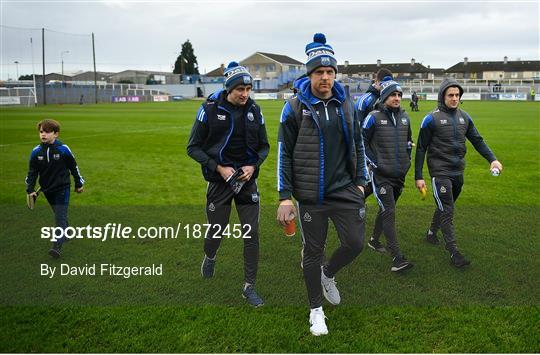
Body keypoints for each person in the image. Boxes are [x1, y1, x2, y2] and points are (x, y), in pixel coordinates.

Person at [277, 33, 369, 336]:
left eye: (330, 72)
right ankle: (316, 311)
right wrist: (285, 197)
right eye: (319, 72)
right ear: (310, 74)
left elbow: (358, 141)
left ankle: (328, 274)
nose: (326, 77)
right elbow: (284, 153)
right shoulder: (293, 107)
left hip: (345, 189)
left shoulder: (346, 104)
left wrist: (360, 181)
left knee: (355, 243)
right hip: (310, 194)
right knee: (311, 252)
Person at [187, 62, 269, 307]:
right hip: (219, 183)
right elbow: (192, 147)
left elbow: (264, 146)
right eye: (240, 89)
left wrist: (253, 166)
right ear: (228, 88)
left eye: (248, 88)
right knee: (216, 231)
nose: (245, 94)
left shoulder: (255, 110)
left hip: (247, 182)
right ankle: (210, 256)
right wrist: (219, 168)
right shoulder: (209, 109)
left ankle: (249, 287)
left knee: (251, 233)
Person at [414, 78, 503, 267]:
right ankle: (454, 252)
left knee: (445, 206)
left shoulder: (465, 117)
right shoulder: (431, 119)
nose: (455, 99)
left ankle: (431, 233)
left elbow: (477, 140)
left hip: (457, 172)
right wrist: (419, 176)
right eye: (451, 95)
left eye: (457, 95)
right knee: (448, 210)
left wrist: (492, 159)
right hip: (439, 172)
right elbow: (421, 148)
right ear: (442, 96)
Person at [362, 80, 414, 272]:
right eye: (393, 95)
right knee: (390, 212)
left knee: (386, 210)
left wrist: (407, 161)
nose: (397, 98)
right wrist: (375, 163)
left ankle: (374, 240)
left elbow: (409, 141)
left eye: (400, 95)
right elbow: (362, 141)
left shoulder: (405, 118)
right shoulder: (373, 117)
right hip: (380, 175)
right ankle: (397, 258)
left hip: (399, 175)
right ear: (385, 97)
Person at [26, 119, 85, 258]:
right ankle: (68, 231)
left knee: (59, 217)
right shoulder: (36, 152)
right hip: (47, 190)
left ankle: (57, 246)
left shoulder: (63, 149)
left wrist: (78, 183)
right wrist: (30, 189)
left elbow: (73, 167)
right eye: (41, 132)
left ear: (56, 134)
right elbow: (32, 172)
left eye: (47, 132)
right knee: (60, 215)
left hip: (62, 188)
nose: (43, 135)